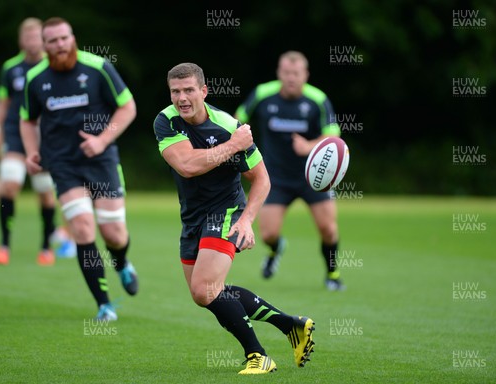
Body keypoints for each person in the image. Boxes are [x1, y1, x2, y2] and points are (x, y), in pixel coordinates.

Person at [153, 63, 315, 374]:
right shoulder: (167, 121)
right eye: (175, 91)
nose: (182, 98)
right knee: (207, 294)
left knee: (204, 288)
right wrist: (233, 147)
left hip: (227, 210)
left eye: (189, 90)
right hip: (192, 217)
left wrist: (246, 221)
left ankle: (258, 356)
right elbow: (186, 166)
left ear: (204, 91)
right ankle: (291, 325)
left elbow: (262, 179)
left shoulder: (228, 126)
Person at [20, 17, 138, 320]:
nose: (60, 45)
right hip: (61, 163)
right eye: (53, 41)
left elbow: (128, 107)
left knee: (113, 233)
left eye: (64, 38)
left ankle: (122, 262)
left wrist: (102, 140)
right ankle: (104, 304)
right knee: (83, 228)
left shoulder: (98, 67)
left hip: (101, 160)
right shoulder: (35, 78)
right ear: (44, 46)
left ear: (73, 38)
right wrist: (32, 152)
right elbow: (27, 119)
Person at [0, 18, 75, 262]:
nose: (32, 42)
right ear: (21, 40)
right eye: (28, 37)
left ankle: (47, 246)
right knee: (10, 181)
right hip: (15, 130)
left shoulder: (52, 65)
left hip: (46, 134)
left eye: (36, 37)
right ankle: (4, 245)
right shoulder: (11, 68)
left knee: (44, 190)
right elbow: (3, 100)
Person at [235, 51, 344, 291]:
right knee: (267, 234)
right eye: (286, 73)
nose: (291, 78)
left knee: (328, 228)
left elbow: (334, 138)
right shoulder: (263, 94)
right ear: (279, 73)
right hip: (274, 178)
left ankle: (332, 274)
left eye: (296, 73)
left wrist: (308, 146)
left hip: (314, 177)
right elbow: (238, 120)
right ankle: (276, 248)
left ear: (305, 74)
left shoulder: (318, 99)